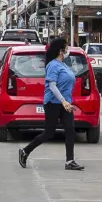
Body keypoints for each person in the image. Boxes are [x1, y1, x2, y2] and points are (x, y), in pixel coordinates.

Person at [18, 38, 85, 171]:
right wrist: (63, 101)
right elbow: (52, 86)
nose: (68, 50)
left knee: (70, 130)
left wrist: (67, 102)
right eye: (66, 47)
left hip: (66, 104)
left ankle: (70, 161)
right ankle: (25, 151)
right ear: (61, 50)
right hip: (53, 104)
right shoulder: (53, 65)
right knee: (49, 133)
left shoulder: (63, 65)